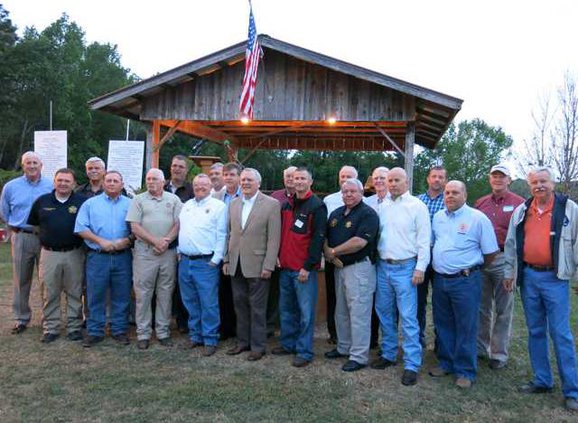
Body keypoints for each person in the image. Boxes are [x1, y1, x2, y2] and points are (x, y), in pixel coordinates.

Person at [503, 167, 578, 411]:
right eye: (534, 182)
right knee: (535, 330)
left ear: (553, 183)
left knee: (560, 334)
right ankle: (542, 380)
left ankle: (572, 390)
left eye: (543, 181)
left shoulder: (570, 209)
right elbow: (511, 244)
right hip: (530, 277)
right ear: (529, 185)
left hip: (555, 278)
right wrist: (509, 273)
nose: (539, 186)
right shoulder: (522, 210)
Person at [429, 181, 498, 389]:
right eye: (447, 192)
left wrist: (469, 269)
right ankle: (446, 363)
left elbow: (490, 253)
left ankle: (465, 370)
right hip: (440, 280)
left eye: (455, 192)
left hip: (466, 281)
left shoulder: (478, 219)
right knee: (443, 324)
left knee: (466, 326)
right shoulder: (438, 217)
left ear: (465, 195)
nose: (450, 196)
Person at [371, 168, 431, 386]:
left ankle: (412, 363)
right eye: (390, 181)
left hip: (406, 268)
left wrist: (420, 268)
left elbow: (424, 240)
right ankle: (388, 354)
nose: (393, 184)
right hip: (383, 266)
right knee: (384, 313)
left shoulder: (417, 206)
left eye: (397, 180)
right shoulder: (383, 206)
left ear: (406, 181)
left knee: (407, 316)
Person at [224, 168, 281, 361]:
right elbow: (229, 234)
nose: (245, 183)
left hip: (258, 264)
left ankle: (258, 346)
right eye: (243, 180)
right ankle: (243, 343)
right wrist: (226, 259)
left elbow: (274, 238)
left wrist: (269, 265)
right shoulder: (233, 204)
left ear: (258, 182)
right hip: (236, 263)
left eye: (249, 180)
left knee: (258, 308)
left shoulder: (271, 204)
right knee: (240, 306)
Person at [272, 167, 327, 367]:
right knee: (286, 310)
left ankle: (304, 351)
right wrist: (277, 256)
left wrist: (308, 266)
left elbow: (318, 238)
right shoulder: (287, 205)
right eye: (296, 178)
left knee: (306, 313)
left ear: (310, 182)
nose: (299, 182)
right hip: (285, 267)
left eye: (303, 178)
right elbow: (281, 234)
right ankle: (288, 344)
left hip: (303, 270)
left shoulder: (316, 206)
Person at [324, 178, 379, 372]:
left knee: (359, 313)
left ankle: (359, 356)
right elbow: (325, 236)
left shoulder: (368, 214)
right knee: (341, 311)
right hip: (339, 267)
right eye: (345, 191)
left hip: (359, 269)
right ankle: (343, 347)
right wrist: (329, 253)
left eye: (352, 191)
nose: (348, 194)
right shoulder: (336, 213)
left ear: (361, 192)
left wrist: (334, 252)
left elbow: (358, 242)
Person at [75, 170, 134, 347]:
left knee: (122, 294)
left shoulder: (131, 204)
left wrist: (126, 241)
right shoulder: (90, 204)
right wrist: (101, 241)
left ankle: (119, 330)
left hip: (122, 256)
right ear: (102, 183)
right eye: (108, 180)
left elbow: (138, 228)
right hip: (97, 256)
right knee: (95, 294)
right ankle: (95, 331)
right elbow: (81, 228)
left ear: (122, 184)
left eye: (116, 180)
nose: (111, 183)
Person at [27, 168, 86, 343]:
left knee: (75, 291)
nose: (63, 183)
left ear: (74, 183)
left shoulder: (82, 202)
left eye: (67, 181)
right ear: (54, 181)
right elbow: (35, 225)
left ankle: (74, 328)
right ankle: (51, 328)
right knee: (49, 292)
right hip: (49, 253)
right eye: (59, 180)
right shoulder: (42, 201)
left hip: (74, 253)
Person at [475, 164, 524, 369]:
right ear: (490, 179)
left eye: (502, 176)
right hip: (483, 259)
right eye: (494, 176)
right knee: (482, 308)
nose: (498, 179)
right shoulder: (480, 203)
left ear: (509, 180)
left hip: (505, 258)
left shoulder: (520, 204)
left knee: (503, 309)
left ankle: (499, 354)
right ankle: (480, 349)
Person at [127, 168, 181, 350]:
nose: (151, 182)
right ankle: (143, 333)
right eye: (148, 179)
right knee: (143, 293)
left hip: (167, 254)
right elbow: (135, 227)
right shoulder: (138, 200)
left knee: (165, 292)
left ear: (163, 181)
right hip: (145, 253)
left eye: (155, 179)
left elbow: (178, 224)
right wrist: (156, 242)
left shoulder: (173, 200)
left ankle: (163, 331)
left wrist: (165, 241)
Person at [1, 151, 52, 334]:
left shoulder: (51, 185)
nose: (32, 166)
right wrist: (14, 229)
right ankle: (21, 318)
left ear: (41, 165)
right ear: (23, 166)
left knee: (46, 279)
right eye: (28, 163)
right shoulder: (11, 187)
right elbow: (5, 211)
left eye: (35, 163)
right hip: (21, 236)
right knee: (21, 279)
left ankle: (49, 319)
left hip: (45, 237)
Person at [178, 174, 227, 356]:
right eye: (197, 185)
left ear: (210, 186)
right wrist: (178, 253)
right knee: (190, 301)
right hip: (185, 261)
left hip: (206, 263)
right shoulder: (187, 206)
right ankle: (195, 336)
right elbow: (182, 229)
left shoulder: (218, 206)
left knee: (208, 303)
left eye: (204, 185)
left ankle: (210, 338)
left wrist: (216, 259)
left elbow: (222, 234)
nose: (200, 188)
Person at [323, 165, 358, 344]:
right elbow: (324, 228)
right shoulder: (329, 200)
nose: (345, 179)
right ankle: (333, 333)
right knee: (333, 296)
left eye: (349, 176)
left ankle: (352, 335)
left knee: (352, 299)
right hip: (331, 257)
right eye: (342, 176)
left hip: (351, 258)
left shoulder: (362, 202)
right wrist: (329, 253)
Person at [417, 165, 447, 348]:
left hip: (440, 257)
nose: (437, 180)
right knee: (418, 301)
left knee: (440, 302)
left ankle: (441, 343)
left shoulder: (450, 200)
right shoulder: (417, 201)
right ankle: (418, 340)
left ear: (445, 180)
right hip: (421, 256)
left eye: (441, 177)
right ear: (428, 179)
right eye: (434, 176)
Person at [164, 155, 193, 333]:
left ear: (186, 170)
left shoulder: (191, 191)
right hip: (160, 244)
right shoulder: (161, 186)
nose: (177, 169)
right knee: (162, 285)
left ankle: (183, 321)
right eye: (174, 166)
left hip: (181, 245)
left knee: (182, 286)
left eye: (181, 167)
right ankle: (159, 320)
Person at [213, 161, 242, 340]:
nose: (228, 178)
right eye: (226, 175)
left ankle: (241, 329)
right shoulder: (216, 197)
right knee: (223, 292)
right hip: (220, 250)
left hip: (239, 249)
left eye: (232, 174)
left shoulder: (245, 196)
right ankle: (225, 328)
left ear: (239, 176)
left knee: (238, 293)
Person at [268, 165, 298, 338]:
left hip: (294, 255)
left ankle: (292, 328)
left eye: (293, 176)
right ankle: (271, 325)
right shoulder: (275, 197)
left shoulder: (306, 198)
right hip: (276, 252)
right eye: (287, 176)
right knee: (273, 292)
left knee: (292, 295)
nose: (290, 179)